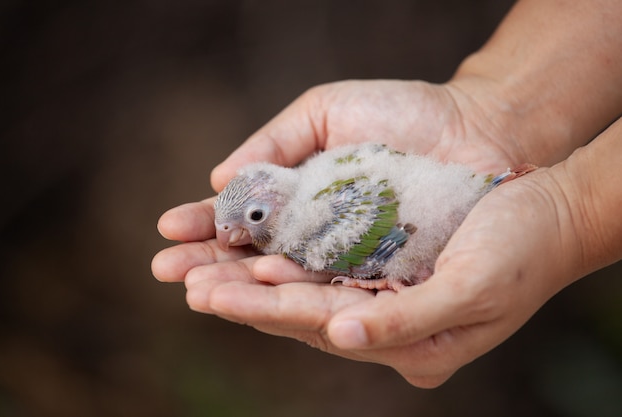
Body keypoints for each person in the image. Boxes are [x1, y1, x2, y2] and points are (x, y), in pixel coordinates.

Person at [151, 0, 622, 387]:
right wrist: (495, 111)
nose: (233, 235)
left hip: (424, 214)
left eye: (252, 216)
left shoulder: (301, 232)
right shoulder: (317, 173)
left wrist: (573, 216)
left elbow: (399, 224)